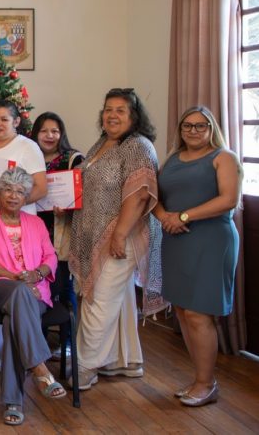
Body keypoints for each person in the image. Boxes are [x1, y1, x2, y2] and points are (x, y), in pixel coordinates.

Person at [70, 88, 165, 390]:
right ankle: (123, 360)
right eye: (108, 109)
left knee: (99, 299)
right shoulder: (103, 143)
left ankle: (84, 365)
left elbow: (139, 195)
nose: (112, 115)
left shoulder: (138, 146)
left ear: (134, 116)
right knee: (118, 297)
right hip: (94, 233)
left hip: (119, 236)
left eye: (120, 110)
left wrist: (120, 235)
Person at [154, 106, 240, 407]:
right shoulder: (173, 160)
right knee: (181, 310)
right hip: (176, 239)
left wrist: (185, 216)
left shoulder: (223, 157)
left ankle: (207, 383)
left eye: (200, 126)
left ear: (211, 128)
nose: (193, 131)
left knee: (198, 313)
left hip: (211, 239)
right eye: (187, 126)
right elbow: (156, 197)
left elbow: (228, 199)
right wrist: (166, 217)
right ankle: (200, 379)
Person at [0, 168, 65, 426]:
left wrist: (37, 274)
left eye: (20, 192)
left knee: (11, 321)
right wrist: (18, 279)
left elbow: (51, 257)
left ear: (26, 198)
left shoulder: (35, 224)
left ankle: (13, 401)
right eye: (8, 190)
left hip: (36, 289)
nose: (14, 196)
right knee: (18, 296)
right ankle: (40, 368)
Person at [0, 100, 47, 369]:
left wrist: (10, 202)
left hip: (19, 224)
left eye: (4, 119)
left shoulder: (28, 147)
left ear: (16, 122)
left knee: (15, 279)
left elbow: (41, 188)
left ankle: (12, 356)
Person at [31, 112, 82, 310]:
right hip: (35, 225)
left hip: (61, 229)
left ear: (62, 134)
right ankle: (41, 331)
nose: (49, 136)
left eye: (55, 131)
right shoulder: (29, 159)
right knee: (40, 280)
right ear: (35, 134)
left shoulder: (73, 159)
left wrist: (68, 209)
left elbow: (83, 195)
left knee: (63, 284)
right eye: (44, 131)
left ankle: (68, 338)